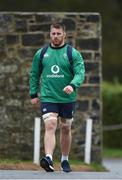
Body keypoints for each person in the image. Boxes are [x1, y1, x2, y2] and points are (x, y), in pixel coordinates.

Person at [29, 23, 85, 172]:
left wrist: (72, 85)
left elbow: (80, 73)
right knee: (51, 124)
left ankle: (64, 160)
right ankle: (48, 158)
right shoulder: (41, 53)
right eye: (53, 33)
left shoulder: (72, 54)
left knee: (66, 128)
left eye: (58, 33)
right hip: (49, 97)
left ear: (64, 35)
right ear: (50, 34)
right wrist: (33, 93)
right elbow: (34, 74)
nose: (55, 36)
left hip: (67, 98)